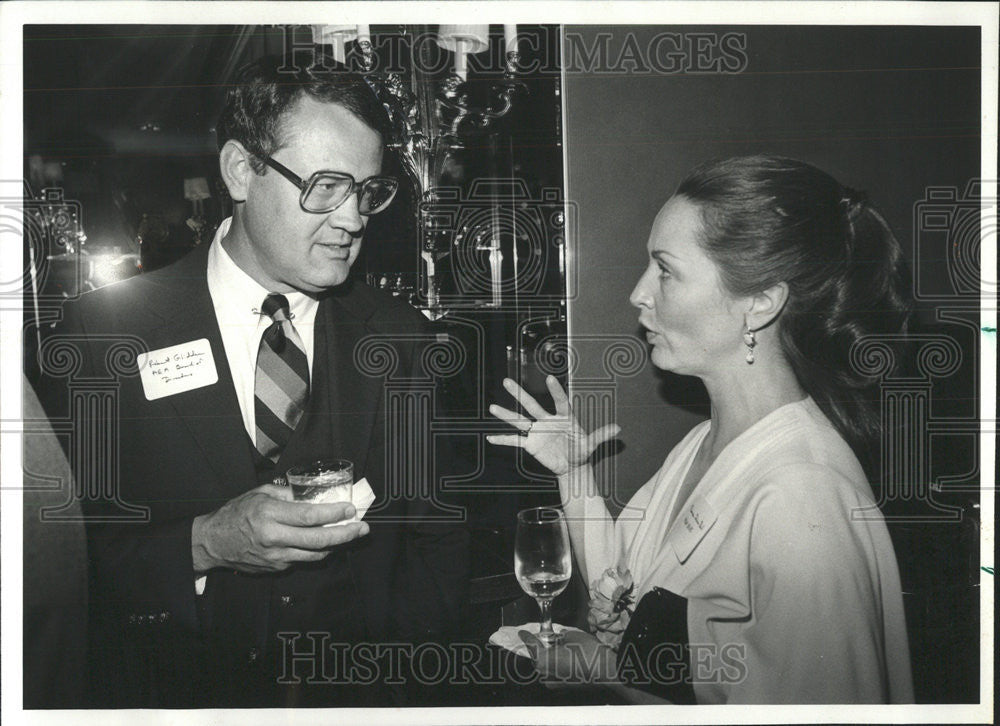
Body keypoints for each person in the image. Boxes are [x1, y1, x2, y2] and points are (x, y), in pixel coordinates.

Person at [34, 54, 468, 707]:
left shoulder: (402, 340)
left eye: (368, 191)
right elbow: (55, 568)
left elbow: (438, 547)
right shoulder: (101, 337)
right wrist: (203, 545)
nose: (352, 221)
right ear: (242, 170)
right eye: (324, 186)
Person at [489, 155, 914, 704]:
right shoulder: (704, 444)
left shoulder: (802, 495)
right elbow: (627, 589)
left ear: (759, 304)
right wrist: (575, 475)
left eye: (665, 270)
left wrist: (605, 675)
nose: (639, 293)